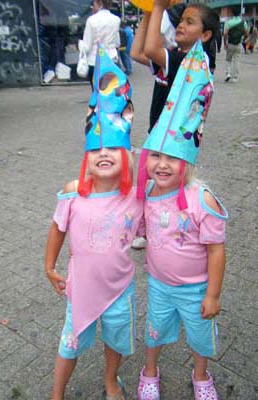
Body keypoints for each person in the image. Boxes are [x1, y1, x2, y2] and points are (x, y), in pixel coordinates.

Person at [45, 45, 143, 400]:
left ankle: (111, 379)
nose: (103, 154)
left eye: (111, 148)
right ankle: (57, 393)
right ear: (86, 159)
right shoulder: (73, 194)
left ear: (126, 155)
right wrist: (49, 266)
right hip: (81, 290)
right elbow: (57, 229)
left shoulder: (136, 198)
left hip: (120, 291)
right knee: (69, 344)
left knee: (116, 338)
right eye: (96, 149)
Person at [136, 23, 228, 399]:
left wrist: (214, 295)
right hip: (158, 284)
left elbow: (216, 249)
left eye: (171, 158)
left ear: (187, 163)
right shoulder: (149, 191)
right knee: (154, 330)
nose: (161, 164)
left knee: (201, 336)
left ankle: (201, 376)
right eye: (155, 155)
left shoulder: (201, 199)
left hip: (196, 289)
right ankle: (150, 370)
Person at [130, 0, 219, 250]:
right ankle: (153, 228)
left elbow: (149, 48)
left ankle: (164, 231)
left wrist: (157, 6)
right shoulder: (176, 57)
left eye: (189, 22)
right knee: (154, 184)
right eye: (181, 20)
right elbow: (137, 52)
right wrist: (148, 11)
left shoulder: (186, 62)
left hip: (169, 146)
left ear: (205, 35)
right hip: (159, 139)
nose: (180, 25)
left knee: (161, 186)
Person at [81, 0, 121, 89]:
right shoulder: (116, 20)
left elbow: (87, 46)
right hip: (111, 60)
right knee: (110, 92)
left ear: (98, 3)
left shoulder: (91, 20)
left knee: (97, 92)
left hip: (94, 61)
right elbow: (117, 43)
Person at [223, 6, 248, 83]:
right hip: (238, 43)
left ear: (232, 14)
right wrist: (243, 39)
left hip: (230, 43)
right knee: (236, 60)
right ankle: (235, 77)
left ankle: (228, 74)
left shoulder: (229, 22)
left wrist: (225, 43)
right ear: (239, 13)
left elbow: (225, 34)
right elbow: (246, 32)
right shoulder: (243, 22)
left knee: (228, 59)